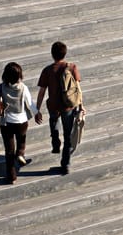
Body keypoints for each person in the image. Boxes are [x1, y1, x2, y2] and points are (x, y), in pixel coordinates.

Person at [35, 41, 86, 175]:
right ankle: (66, 164)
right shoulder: (72, 67)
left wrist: (37, 110)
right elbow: (78, 90)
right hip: (68, 106)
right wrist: (81, 106)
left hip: (53, 105)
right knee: (68, 136)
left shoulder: (47, 70)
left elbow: (41, 92)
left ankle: (55, 141)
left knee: (54, 122)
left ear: (52, 54)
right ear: (65, 53)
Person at [0, 62, 39, 184]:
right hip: (21, 121)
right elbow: (30, 103)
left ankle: (11, 176)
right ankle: (20, 153)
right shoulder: (23, 88)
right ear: (19, 75)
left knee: (9, 150)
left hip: (6, 123)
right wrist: (36, 113)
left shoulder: (0, 88)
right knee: (21, 141)